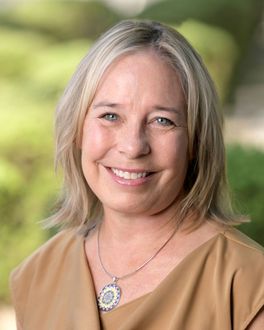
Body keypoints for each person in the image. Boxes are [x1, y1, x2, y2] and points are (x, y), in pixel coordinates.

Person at [10, 19, 264, 330]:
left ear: (196, 140)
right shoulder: (37, 274)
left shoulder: (247, 285)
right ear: (77, 129)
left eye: (162, 121)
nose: (133, 147)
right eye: (110, 116)